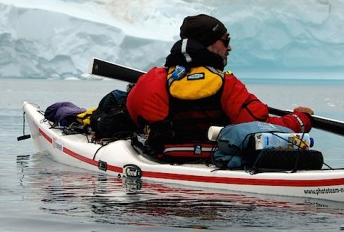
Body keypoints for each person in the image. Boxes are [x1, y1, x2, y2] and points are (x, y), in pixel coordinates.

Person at [126, 14, 314, 158]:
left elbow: (136, 116)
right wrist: (300, 120)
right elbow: (259, 124)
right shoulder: (226, 83)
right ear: (208, 44)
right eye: (226, 41)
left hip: (165, 158)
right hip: (213, 160)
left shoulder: (152, 81)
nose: (229, 48)